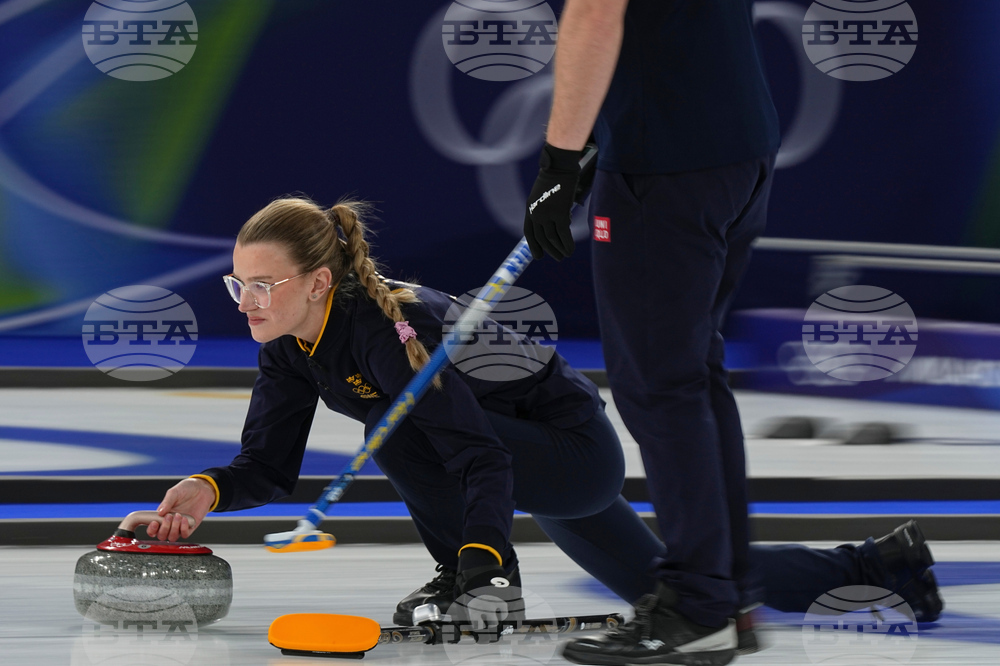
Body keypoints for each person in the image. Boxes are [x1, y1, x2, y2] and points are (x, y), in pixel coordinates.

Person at [149, 197, 941, 659]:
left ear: (317, 281)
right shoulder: (294, 346)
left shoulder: (391, 333)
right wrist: (204, 491)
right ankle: (879, 564)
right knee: (669, 583)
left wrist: (483, 574)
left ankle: (467, 578)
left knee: (393, 432)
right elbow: (269, 466)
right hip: (534, 459)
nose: (245, 301)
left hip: (568, 452)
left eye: (262, 284)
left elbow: (475, 453)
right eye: (237, 284)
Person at [518, 0, 909, 663]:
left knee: (660, 387)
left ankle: (698, 607)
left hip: (664, 160)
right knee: (692, 373)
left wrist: (559, 157)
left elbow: (593, 12)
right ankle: (729, 596)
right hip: (735, 145)